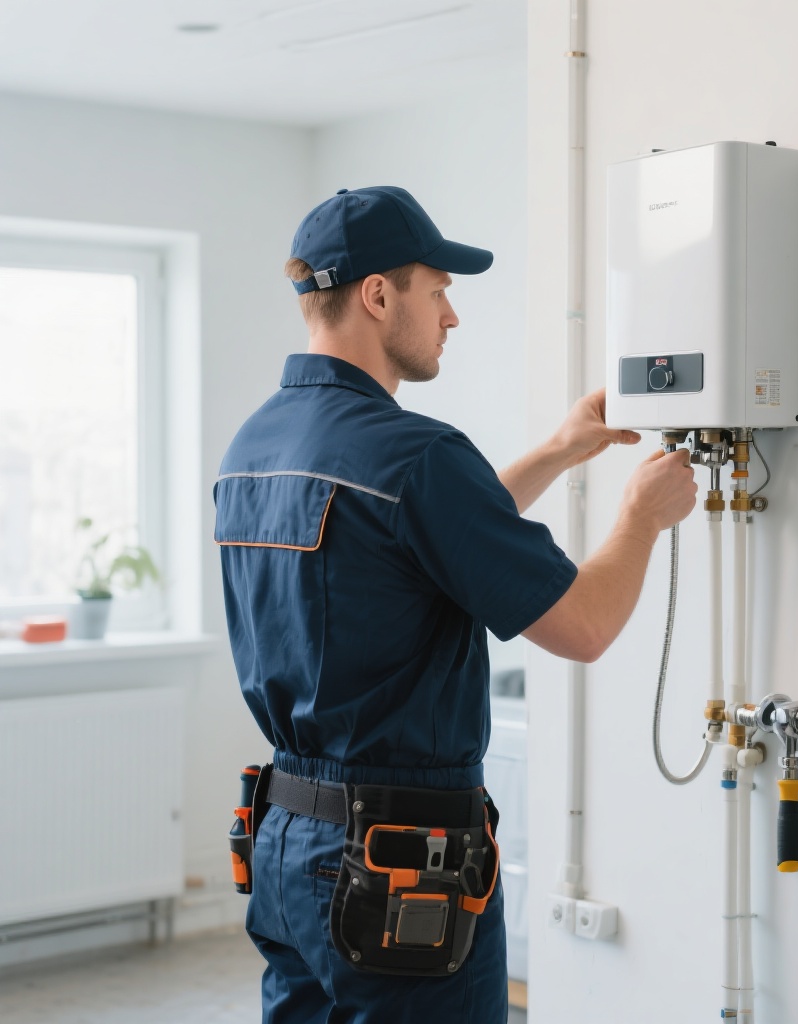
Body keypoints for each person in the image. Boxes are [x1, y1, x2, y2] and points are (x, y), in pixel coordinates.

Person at [214, 186, 697, 1024]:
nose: (451, 315)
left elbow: (413, 552)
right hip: (399, 861)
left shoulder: (253, 445)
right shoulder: (415, 454)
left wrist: (557, 451)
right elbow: (583, 627)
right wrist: (640, 517)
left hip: (288, 841)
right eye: (437, 289)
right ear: (376, 295)